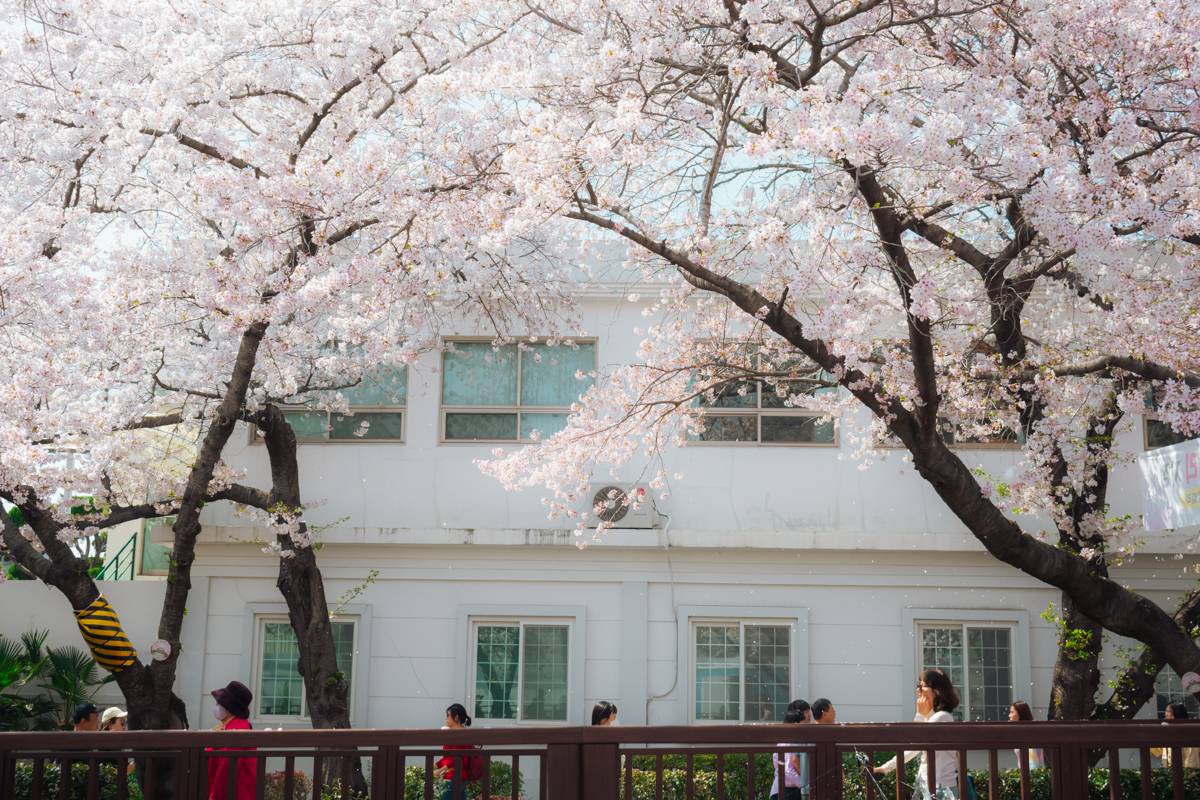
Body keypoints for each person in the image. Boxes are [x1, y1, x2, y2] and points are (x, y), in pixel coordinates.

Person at [875, 669, 961, 799]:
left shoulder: (941, 717)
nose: (918, 691)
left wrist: (920, 715)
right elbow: (914, 745)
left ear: (936, 690)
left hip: (941, 789)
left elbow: (913, 744)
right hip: (935, 787)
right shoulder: (936, 717)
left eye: (922, 686)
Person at [207, 680, 257, 800]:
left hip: (235, 794)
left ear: (230, 707)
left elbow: (227, 766)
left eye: (220, 704)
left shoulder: (238, 728)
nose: (217, 706)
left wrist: (215, 796)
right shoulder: (227, 725)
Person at [434, 703, 482, 800]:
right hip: (458, 777)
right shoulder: (457, 734)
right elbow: (449, 758)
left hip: (455, 777)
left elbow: (459, 759)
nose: (446, 719)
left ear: (456, 717)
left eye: (448, 716)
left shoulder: (460, 735)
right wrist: (436, 765)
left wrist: (440, 770)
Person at [769, 705, 810, 800]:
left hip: (789, 791)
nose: (806, 726)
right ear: (796, 724)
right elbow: (787, 770)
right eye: (804, 723)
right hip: (786, 792)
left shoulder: (788, 740)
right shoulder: (787, 742)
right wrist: (806, 785)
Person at [1151, 702, 1200, 769]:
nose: (1165, 714)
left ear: (1176, 714)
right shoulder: (1168, 732)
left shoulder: (1189, 734)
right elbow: (1157, 750)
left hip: (1185, 773)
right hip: (1170, 772)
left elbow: (1192, 761)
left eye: (1168, 711)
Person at [1007, 701, 1045, 769]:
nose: (1009, 715)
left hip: (1031, 773)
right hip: (1027, 773)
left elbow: (1033, 760)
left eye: (1012, 712)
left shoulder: (1030, 732)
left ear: (1020, 713)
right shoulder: (1023, 731)